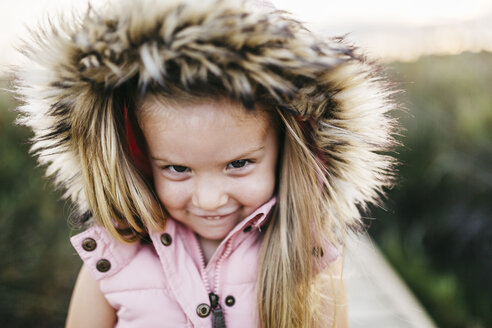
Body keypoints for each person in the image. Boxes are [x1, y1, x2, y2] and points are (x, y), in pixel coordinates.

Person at [13, 0, 398, 326]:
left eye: (239, 164)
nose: (210, 199)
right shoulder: (112, 262)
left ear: (287, 150)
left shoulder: (309, 262)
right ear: (140, 159)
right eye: (177, 169)